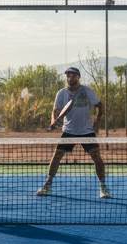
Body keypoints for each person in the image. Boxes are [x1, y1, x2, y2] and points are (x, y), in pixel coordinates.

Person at [35, 66, 110, 199]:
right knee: (57, 156)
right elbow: (56, 111)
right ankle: (47, 185)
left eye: (73, 76)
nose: (71, 78)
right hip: (69, 131)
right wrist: (53, 121)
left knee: (96, 157)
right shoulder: (61, 93)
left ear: (79, 77)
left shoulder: (87, 91)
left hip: (86, 131)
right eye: (68, 76)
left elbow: (100, 106)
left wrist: (97, 121)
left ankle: (103, 187)